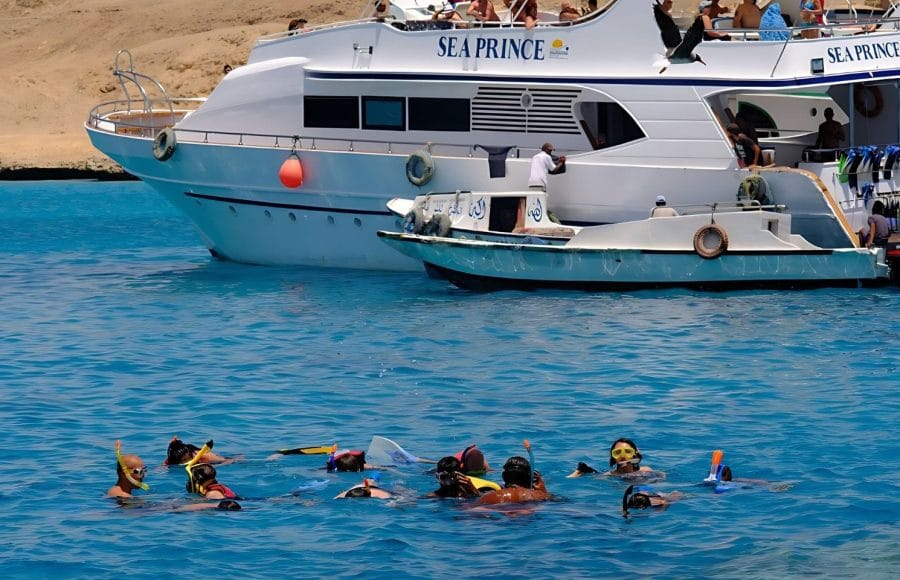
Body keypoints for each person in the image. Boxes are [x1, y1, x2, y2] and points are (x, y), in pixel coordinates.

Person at [476, 456, 549, 505]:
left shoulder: (489, 498)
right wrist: (543, 492)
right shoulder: (540, 496)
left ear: (504, 476)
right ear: (529, 478)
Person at [569, 437, 656, 477]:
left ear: (634, 454)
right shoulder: (609, 476)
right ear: (613, 456)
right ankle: (583, 469)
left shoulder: (646, 471)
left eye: (628, 452)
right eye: (617, 452)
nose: (623, 456)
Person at [165, 436, 229, 466]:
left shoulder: (204, 456)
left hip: (221, 461)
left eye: (183, 458)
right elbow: (162, 467)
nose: (183, 460)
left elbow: (226, 461)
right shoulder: (174, 457)